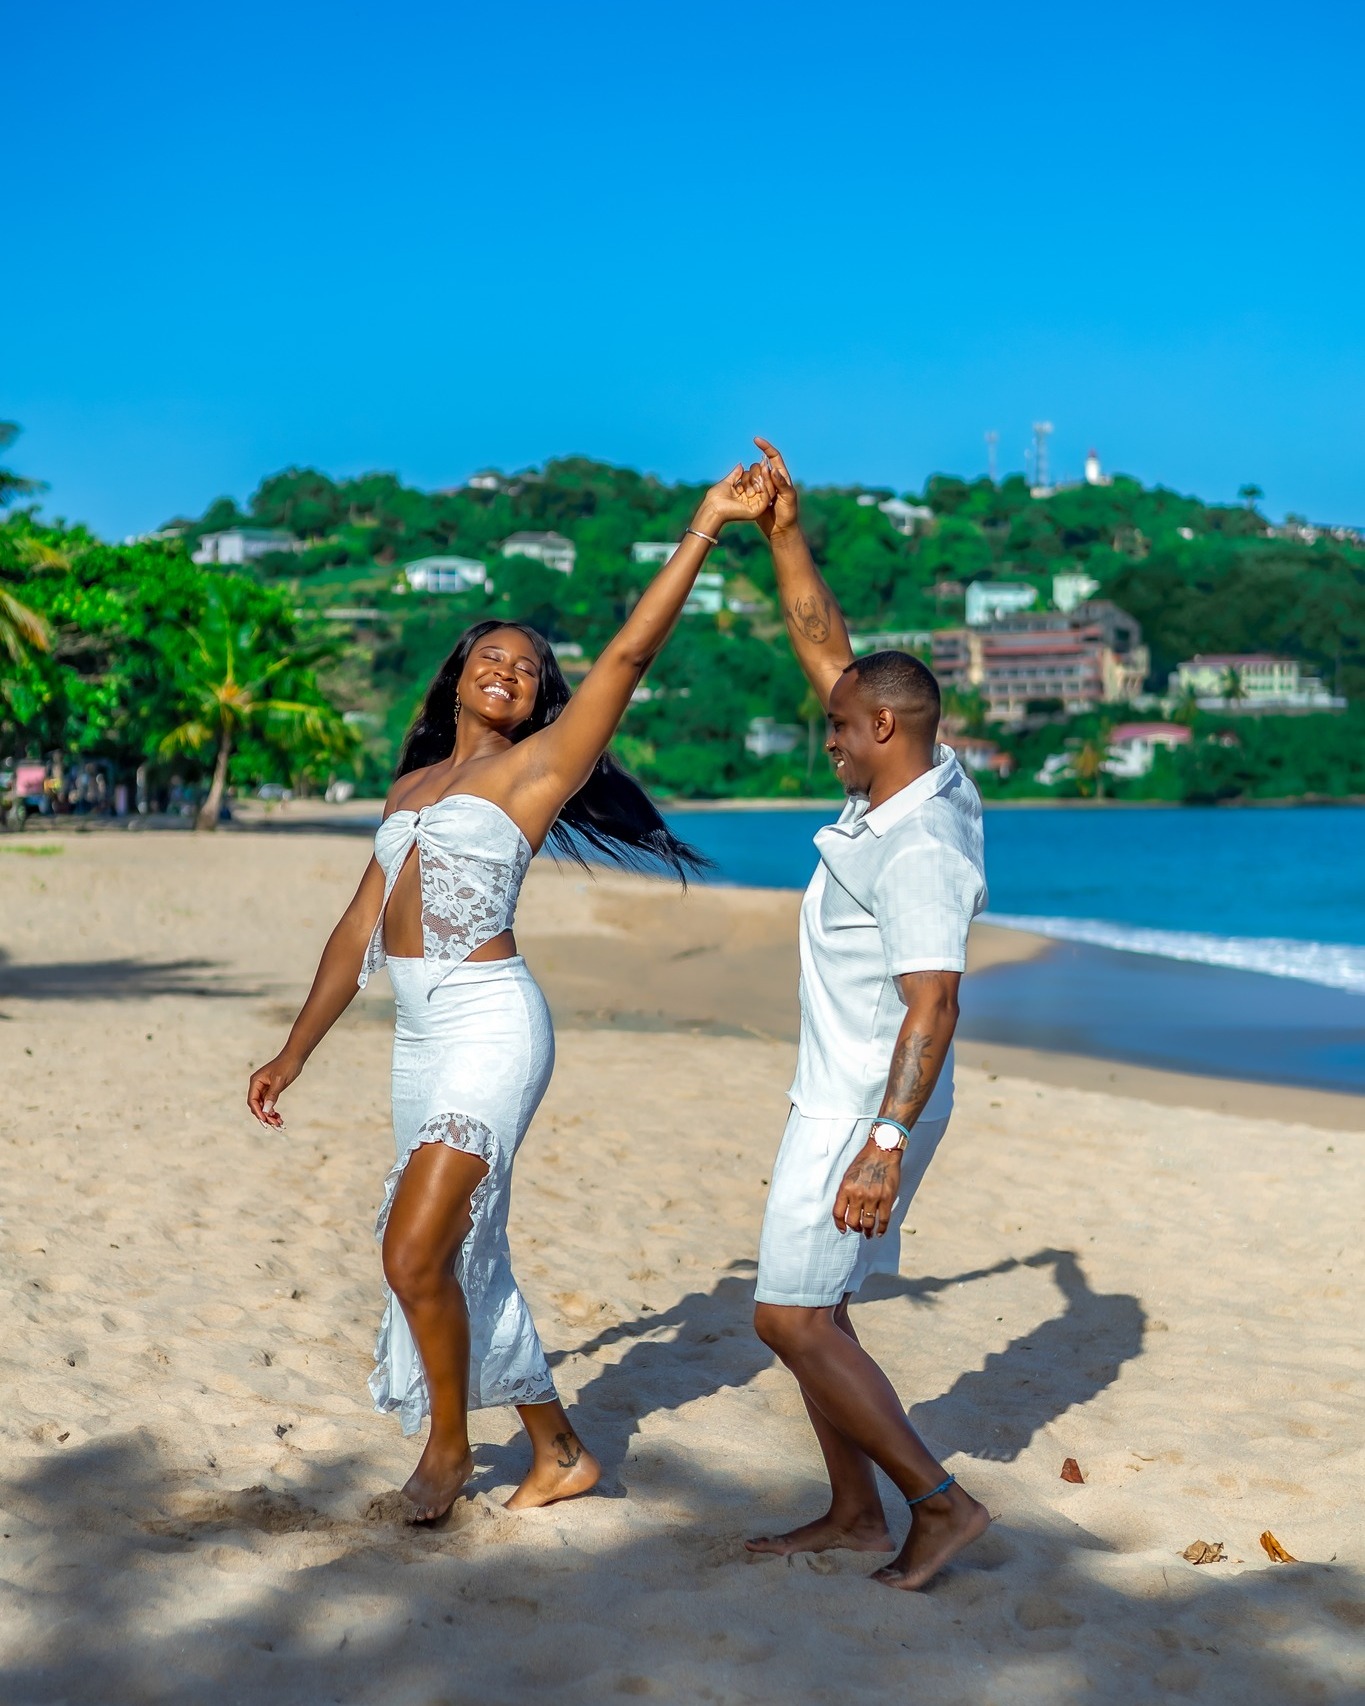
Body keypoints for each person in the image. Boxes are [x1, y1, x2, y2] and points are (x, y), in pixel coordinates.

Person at [246, 461, 769, 1521]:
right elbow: (357, 929)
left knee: (412, 1246)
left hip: (492, 1021)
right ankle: (558, 1447)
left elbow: (629, 652)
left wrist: (706, 527)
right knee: (449, 1248)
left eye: (528, 669)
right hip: (417, 1034)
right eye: (492, 657)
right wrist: (296, 1048)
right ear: (456, 676)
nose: (510, 673)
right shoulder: (410, 788)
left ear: (541, 699)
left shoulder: (539, 770)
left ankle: (447, 1451)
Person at [740, 438, 992, 1591]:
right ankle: (851, 1509)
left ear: (883, 732)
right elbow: (824, 644)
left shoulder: (921, 844)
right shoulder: (923, 771)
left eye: (839, 727)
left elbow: (934, 1003)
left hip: (865, 1106)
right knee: (820, 1309)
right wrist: (783, 530)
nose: (827, 733)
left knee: (789, 1317)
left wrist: (884, 1144)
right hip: (836, 1093)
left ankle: (936, 1503)